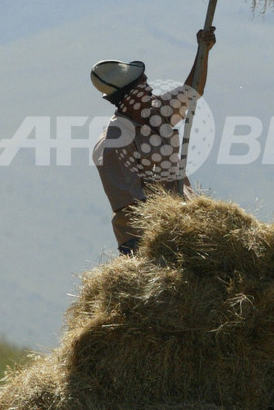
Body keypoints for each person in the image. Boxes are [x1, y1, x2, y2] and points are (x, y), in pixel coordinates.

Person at [91, 27, 216, 254]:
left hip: (178, 223)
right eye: (143, 84)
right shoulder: (113, 142)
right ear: (132, 95)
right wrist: (168, 225)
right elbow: (131, 205)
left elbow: (192, 91)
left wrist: (203, 51)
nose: (149, 88)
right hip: (144, 239)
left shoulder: (156, 112)